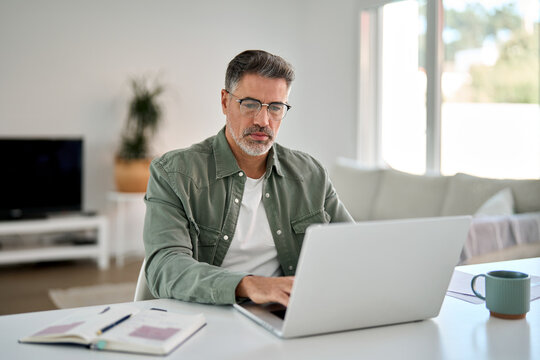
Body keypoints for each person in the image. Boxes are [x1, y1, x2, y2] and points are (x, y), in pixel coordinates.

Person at [143, 50, 353, 307]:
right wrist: (249, 284)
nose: (262, 120)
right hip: (208, 314)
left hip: (286, 315)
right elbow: (165, 267)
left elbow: (354, 248)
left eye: (275, 108)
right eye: (250, 104)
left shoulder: (311, 174)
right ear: (224, 101)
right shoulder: (173, 173)